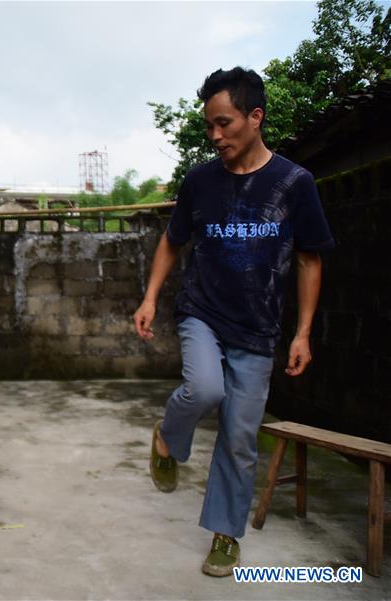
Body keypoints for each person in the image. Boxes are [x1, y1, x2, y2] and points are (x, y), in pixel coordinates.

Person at [133, 67, 334, 577]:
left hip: (260, 328)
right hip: (203, 311)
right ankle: (167, 436)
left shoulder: (293, 183)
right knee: (203, 389)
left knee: (241, 437)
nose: (216, 135)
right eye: (210, 127)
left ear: (255, 117)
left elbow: (311, 259)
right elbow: (173, 241)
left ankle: (225, 535)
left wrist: (303, 332)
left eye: (224, 123)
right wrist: (151, 298)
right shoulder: (200, 181)